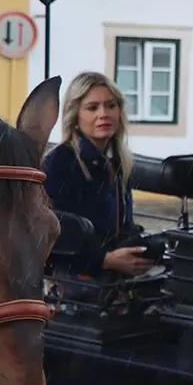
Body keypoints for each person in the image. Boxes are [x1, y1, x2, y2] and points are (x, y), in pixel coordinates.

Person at [43, 72, 155, 279]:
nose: (103, 114)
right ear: (75, 115)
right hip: (74, 287)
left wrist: (138, 249)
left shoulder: (119, 162)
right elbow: (51, 234)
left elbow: (119, 226)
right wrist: (105, 260)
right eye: (92, 108)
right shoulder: (58, 163)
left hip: (113, 285)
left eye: (111, 106)